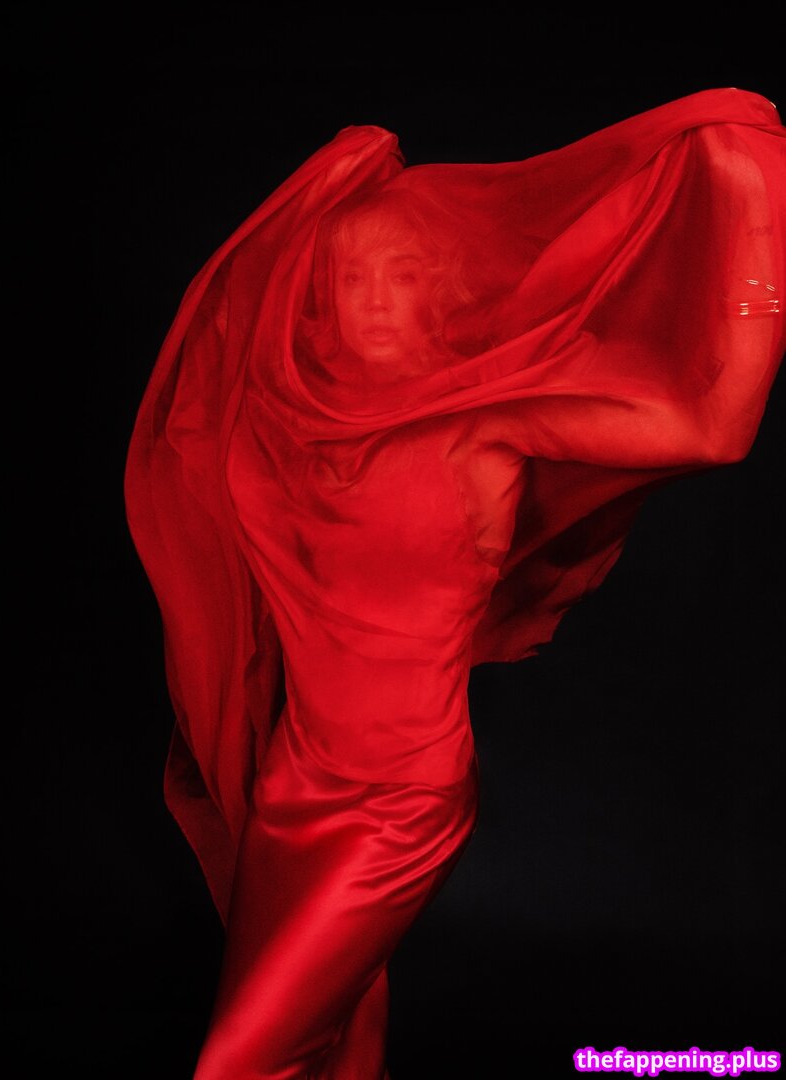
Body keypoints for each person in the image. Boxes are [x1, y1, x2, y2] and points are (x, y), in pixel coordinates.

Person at [124, 88, 785, 1079]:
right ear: (315, 296)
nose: (377, 298)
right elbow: (191, 423)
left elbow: (714, 430)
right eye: (351, 277)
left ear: (441, 291)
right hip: (289, 787)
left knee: (239, 1065)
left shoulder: (483, 428)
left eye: (404, 274)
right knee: (341, 1042)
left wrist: (750, 208)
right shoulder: (286, 426)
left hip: (399, 803)